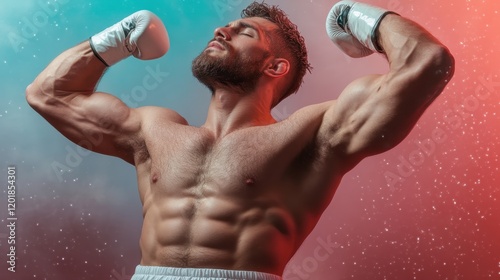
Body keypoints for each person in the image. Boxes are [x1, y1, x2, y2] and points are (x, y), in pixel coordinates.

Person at [26, 1, 454, 279]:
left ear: (276, 68)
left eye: (246, 32)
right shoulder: (155, 130)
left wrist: (361, 19)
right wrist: (113, 41)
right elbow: (48, 94)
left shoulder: (311, 134)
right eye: (226, 25)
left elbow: (427, 63)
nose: (224, 31)